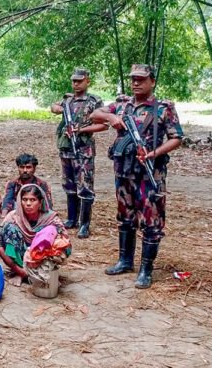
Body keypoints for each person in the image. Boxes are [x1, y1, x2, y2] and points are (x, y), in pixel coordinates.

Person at [91, 64, 184, 289]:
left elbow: (176, 137)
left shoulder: (163, 108)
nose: (135, 83)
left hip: (149, 173)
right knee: (125, 217)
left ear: (152, 81)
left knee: (152, 221)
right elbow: (94, 114)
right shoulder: (122, 104)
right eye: (133, 79)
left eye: (141, 79)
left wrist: (154, 153)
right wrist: (112, 117)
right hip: (124, 172)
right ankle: (125, 260)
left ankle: (146, 269)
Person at [50, 68, 106, 238]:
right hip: (66, 148)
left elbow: (103, 125)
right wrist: (58, 109)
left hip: (83, 149)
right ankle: (72, 219)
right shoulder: (67, 100)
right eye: (74, 81)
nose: (75, 84)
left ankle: (84, 224)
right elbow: (53, 107)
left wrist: (81, 130)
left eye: (79, 81)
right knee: (69, 184)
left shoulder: (93, 101)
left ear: (87, 81)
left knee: (85, 186)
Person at [0, 184, 68, 284]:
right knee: (10, 229)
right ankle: (21, 273)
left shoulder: (51, 219)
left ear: (40, 202)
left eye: (33, 200)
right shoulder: (13, 217)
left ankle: (40, 273)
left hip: (42, 261)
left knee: (52, 232)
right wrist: (18, 270)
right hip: (18, 265)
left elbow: (67, 245)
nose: (28, 204)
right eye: (24, 200)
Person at [0, 153, 53, 218]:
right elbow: (8, 200)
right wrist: (4, 216)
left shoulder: (41, 184)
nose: (25, 170)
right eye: (22, 167)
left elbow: (47, 204)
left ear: (34, 168)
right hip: (17, 214)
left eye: (28, 167)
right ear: (18, 168)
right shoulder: (13, 184)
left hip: (37, 214)